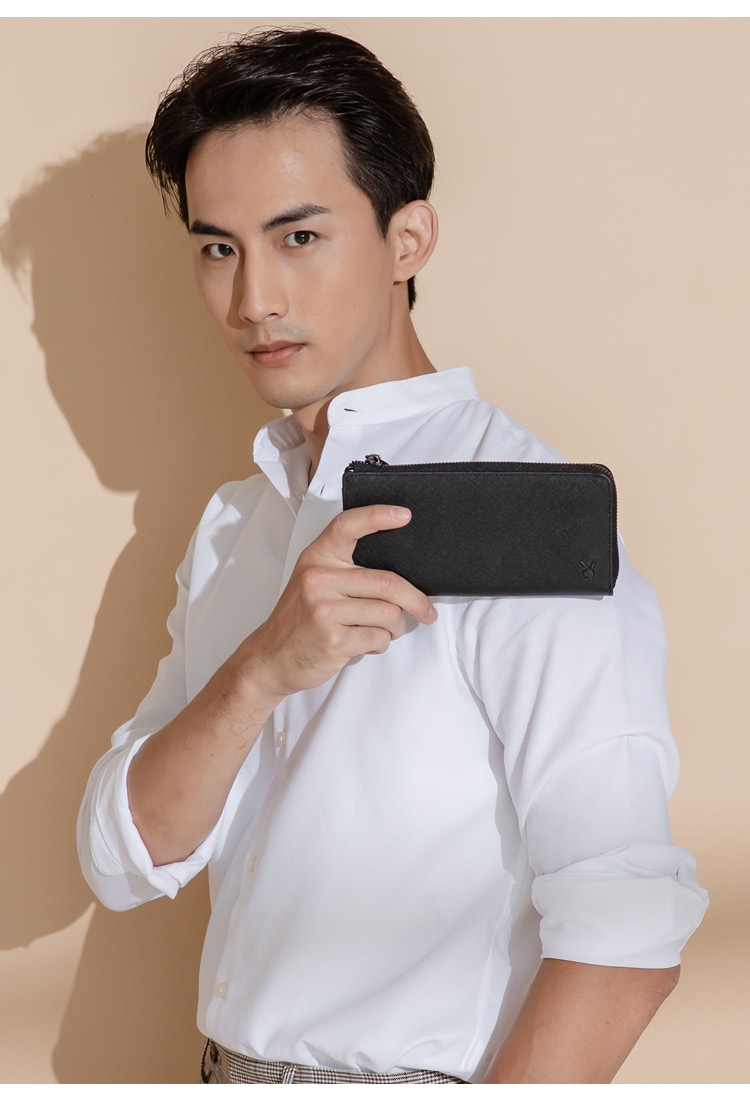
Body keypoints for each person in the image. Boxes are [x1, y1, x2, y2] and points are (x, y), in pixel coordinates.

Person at [77, 27, 708, 1085]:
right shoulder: (238, 522)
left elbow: (625, 933)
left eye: (299, 236)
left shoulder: (530, 516)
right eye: (218, 247)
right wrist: (261, 668)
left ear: (407, 238)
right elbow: (121, 857)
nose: (254, 299)